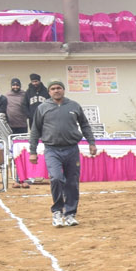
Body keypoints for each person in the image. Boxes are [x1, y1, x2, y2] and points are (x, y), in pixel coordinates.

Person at [27, 81, 98, 227]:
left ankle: (70, 213)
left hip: (71, 149)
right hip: (52, 150)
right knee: (56, 178)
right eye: (53, 89)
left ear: (63, 90)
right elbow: (35, 130)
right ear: (49, 92)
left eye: (59, 88)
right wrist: (33, 151)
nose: (56, 91)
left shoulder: (74, 106)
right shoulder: (42, 108)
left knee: (72, 182)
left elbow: (84, 125)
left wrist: (91, 143)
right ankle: (57, 212)